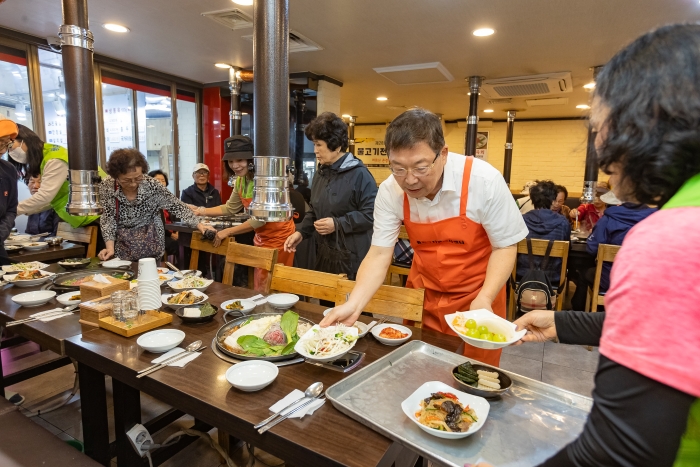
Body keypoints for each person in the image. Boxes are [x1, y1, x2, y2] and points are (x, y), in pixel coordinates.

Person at [477, 24, 700, 467]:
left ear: (640, 122)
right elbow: (679, 331)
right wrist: (565, 323)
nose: (599, 148)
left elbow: (621, 452)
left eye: (600, 127)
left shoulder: (674, 237)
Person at [319, 108, 527, 366]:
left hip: (478, 293)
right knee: (422, 367)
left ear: (443, 155)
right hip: (424, 294)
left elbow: (505, 246)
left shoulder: (483, 181)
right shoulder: (390, 191)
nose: (409, 180)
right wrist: (356, 302)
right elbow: (380, 253)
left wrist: (485, 297)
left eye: (420, 167)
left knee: (474, 374)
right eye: (398, 168)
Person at [190, 136, 295, 290]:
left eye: (240, 160)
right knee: (261, 284)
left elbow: (260, 220)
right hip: (260, 237)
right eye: (231, 161)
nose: (235, 165)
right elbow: (230, 207)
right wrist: (201, 211)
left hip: (280, 238)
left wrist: (227, 232)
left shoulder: (262, 180)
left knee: (275, 286)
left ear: (251, 160)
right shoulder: (240, 180)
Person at [284, 112, 378, 280]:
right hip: (325, 253)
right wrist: (302, 233)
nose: (315, 151)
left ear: (336, 146)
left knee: (349, 303)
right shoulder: (321, 173)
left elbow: (371, 214)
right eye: (314, 144)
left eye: (319, 145)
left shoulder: (360, 175)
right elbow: (315, 209)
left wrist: (337, 223)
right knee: (325, 302)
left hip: (353, 258)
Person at [97, 149, 210, 261]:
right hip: (122, 246)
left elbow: (176, 206)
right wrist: (110, 248)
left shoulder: (152, 185)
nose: (133, 184)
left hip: (150, 242)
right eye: (126, 180)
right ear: (116, 176)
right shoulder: (107, 186)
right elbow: (108, 219)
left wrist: (199, 225)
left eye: (138, 178)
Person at [569, 189, 657, 311]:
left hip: (609, 279)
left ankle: (580, 312)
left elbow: (592, 248)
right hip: (641, 282)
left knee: (585, 273)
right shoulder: (655, 219)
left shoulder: (609, 218)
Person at [6, 123, 101, 229]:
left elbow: (44, 196)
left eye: (10, 146)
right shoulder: (45, 157)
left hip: (95, 213)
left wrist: (11, 210)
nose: (10, 152)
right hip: (84, 215)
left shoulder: (54, 160)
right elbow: (52, 199)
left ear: (25, 140)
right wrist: (26, 210)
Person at [516, 180, 571, 285]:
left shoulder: (521, 220)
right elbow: (568, 248)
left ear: (533, 199)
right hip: (552, 277)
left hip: (522, 273)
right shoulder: (563, 222)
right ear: (552, 200)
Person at [180, 163, 222, 273]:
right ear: (193, 176)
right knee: (194, 251)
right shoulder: (187, 192)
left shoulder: (215, 192)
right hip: (194, 228)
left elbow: (219, 210)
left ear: (208, 176)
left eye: (204, 173)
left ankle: (217, 275)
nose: (202, 175)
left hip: (215, 226)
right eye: (198, 172)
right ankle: (195, 273)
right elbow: (187, 213)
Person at [148, 169, 179, 260]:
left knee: (190, 242)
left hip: (172, 231)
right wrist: (171, 235)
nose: (161, 182)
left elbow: (177, 216)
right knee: (177, 245)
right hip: (157, 236)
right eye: (158, 180)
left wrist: (177, 231)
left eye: (163, 180)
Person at [0, 120, 19, 266]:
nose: (2, 150)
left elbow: (11, 208)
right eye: (0, 143)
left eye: (7, 144)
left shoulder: (8, 169)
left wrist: (1, 233)